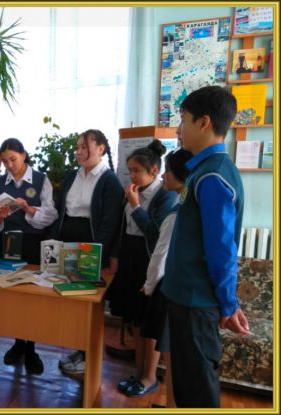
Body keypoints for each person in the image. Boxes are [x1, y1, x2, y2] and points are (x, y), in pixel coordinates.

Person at [161, 85, 249, 407]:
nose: (179, 128)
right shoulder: (201, 171)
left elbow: (221, 250)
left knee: (197, 393)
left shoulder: (213, 177)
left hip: (196, 303)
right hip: (186, 299)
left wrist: (228, 304)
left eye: (183, 119)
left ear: (204, 122)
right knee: (187, 388)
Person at [107, 139, 177, 397]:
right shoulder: (132, 190)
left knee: (149, 322)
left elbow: (155, 234)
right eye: (130, 170)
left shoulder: (165, 195)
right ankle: (138, 373)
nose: (132, 175)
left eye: (136, 170)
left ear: (154, 171)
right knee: (134, 318)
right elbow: (122, 227)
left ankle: (149, 377)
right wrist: (116, 256)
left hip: (149, 261)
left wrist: (136, 205)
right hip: (130, 257)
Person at [0, 138, 58, 375]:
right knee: (13, 294)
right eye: (4, 161)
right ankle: (17, 343)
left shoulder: (41, 180)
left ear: (24, 155)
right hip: (9, 242)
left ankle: (31, 348)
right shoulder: (0, 182)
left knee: (32, 295)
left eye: (13, 159)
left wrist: (28, 209)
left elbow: (51, 214)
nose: (9, 165)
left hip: (33, 243)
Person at [52, 129, 124, 376]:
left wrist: (95, 254)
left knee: (87, 303)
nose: (79, 152)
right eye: (78, 147)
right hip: (67, 242)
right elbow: (61, 210)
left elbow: (110, 223)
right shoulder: (73, 175)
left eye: (85, 147)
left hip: (90, 245)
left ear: (101, 149)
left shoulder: (109, 180)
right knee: (71, 303)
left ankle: (87, 357)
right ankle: (79, 349)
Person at [141, 146, 193, 408]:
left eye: (168, 172)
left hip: (167, 290)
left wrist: (148, 286)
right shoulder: (188, 206)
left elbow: (159, 257)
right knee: (176, 356)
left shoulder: (175, 213)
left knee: (173, 357)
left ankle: (172, 405)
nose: (163, 176)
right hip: (180, 290)